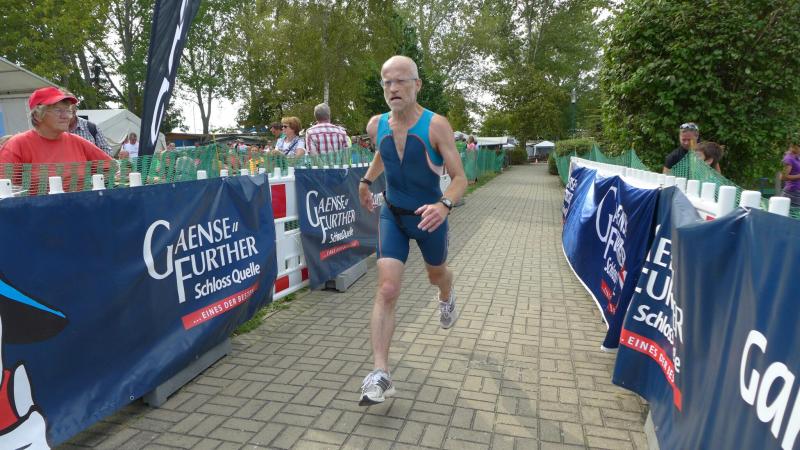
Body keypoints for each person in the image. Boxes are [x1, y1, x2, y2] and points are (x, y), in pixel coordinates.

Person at [357, 55, 467, 406]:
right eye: (387, 82)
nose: (393, 88)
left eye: (401, 81)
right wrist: (366, 180)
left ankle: (446, 295)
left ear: (417, 85)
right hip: (392, 215)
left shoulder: (436, 126)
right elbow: (384, 153)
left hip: (429, 218)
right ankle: (380, 373)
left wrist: (444, 205)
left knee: (437, 276)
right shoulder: (376, 124)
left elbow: (460, 178)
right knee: (388, 287)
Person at [0, 87, 112, 193]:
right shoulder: (17, 144)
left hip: (81, 205)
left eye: (68, 111)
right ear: (38, 115)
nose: (66, 116)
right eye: (58, 111)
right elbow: (4, 188)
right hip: (36, 207)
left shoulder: (78, 142)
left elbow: (113, 169)